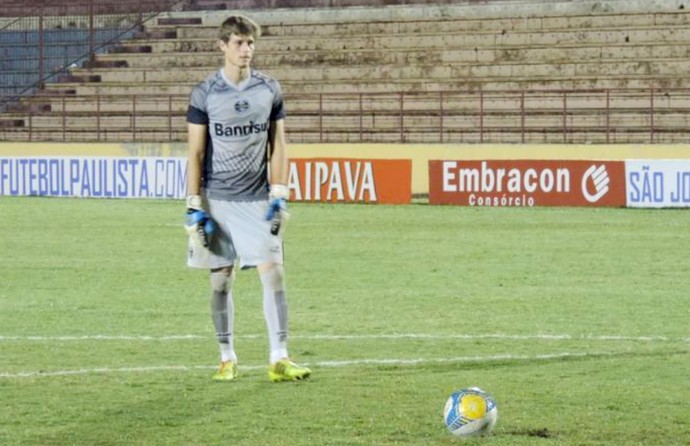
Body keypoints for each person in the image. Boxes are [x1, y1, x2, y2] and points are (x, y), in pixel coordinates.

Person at [184, 14, 311, 382]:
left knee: (275, 275)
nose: (246, 49)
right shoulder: (205, 93)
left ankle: (279, 357)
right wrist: (193, 204)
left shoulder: (268, 88)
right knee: (220, 280)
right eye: (239, 42)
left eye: (250, 43)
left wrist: (280, 194)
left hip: (257, 200)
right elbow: (194, 152)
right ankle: (227, 357)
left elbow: (279, 146)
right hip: (216, 199)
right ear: (223, 46)